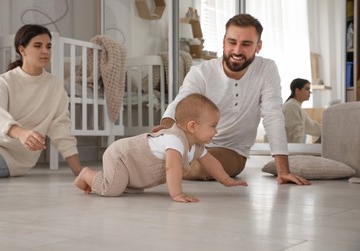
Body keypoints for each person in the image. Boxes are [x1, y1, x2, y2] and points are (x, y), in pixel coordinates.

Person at [154, 14, 310, 185]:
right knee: (141, 151)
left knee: (200, 167)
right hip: (191, 144)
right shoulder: (201, 72)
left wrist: (283, 170)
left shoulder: (267, 69)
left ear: (258, 46)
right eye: (232, 42)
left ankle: (166, 166)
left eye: (246, 44)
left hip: (231, 151)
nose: (237, 51)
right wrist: (167, 132)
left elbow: (273, 116)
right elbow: (181, 101)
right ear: (223, 41)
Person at [74, 94, 248, 203]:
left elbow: (211, 163)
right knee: (112, 190)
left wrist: (226, 179)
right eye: (213, 126)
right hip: (121, 156)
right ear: (193, 126)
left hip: (134, 167)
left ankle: (103, 179)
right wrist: (177, 193)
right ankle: (87, 174)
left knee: (132, 190)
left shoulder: (196, 146)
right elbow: (172, 167)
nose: (216, 131)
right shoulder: (174, 140)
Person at [0, 24, 83, 179]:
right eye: (38, 46)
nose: (45, 51)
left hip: (10, 157)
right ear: (22, 50)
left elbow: (61, 130)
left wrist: (80, 172)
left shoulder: (55, 87)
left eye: (48, 46)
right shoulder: (4, 80)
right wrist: (21, 133)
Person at [282, 78, 321, 143]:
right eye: (307, 89)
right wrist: (301, 151)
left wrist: (329, 128)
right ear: (297, 91)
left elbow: (313, 127)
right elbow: (296, 134)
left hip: (295, 149)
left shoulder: (296, 106)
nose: (310, 92)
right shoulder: (291, 106)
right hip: (292, 150)